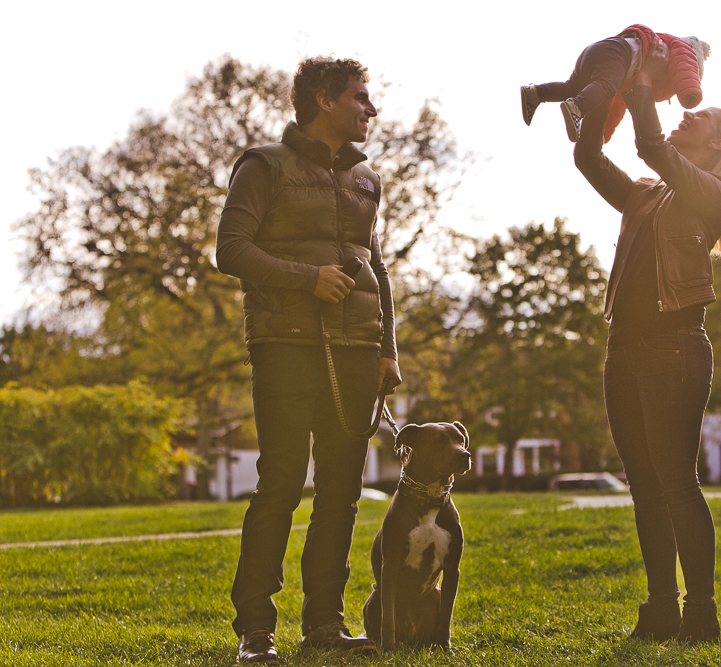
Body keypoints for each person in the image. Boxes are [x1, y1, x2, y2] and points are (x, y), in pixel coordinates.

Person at [215, 56, 402, 664]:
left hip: (356, 351)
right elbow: (231, 249)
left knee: (343, 491)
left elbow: (375, 266)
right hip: (285, 345)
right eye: (359, 97)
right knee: (281, 484)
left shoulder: (366, 179)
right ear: (323, 100)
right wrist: (307, 279)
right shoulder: (263, 165)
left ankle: (324, 623)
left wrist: (387, 350)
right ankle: (255, 631)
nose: (369, 109)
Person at [573, 43, 721, 645]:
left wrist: (641, 85)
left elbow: (650, 144)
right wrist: (593, 101)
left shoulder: (711, 194)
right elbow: (590, 161)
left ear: (719, 146)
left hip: (674, 348)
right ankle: (659, 611)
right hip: (624, 348)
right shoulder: (648, 195)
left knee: (676, 482)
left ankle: (700, 613)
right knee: (645, 487)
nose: (688, 115)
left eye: (700, 116)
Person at [520, 24, 709, 143]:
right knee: (606, 87)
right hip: (619, 55)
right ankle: (577, 107)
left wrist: (603, 134)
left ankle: (535, 93)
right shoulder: (684, 50)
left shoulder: (634, 78)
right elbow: (686, 67)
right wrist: (690, 93)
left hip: (598, 52)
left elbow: (618, 105)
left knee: (572, 87)